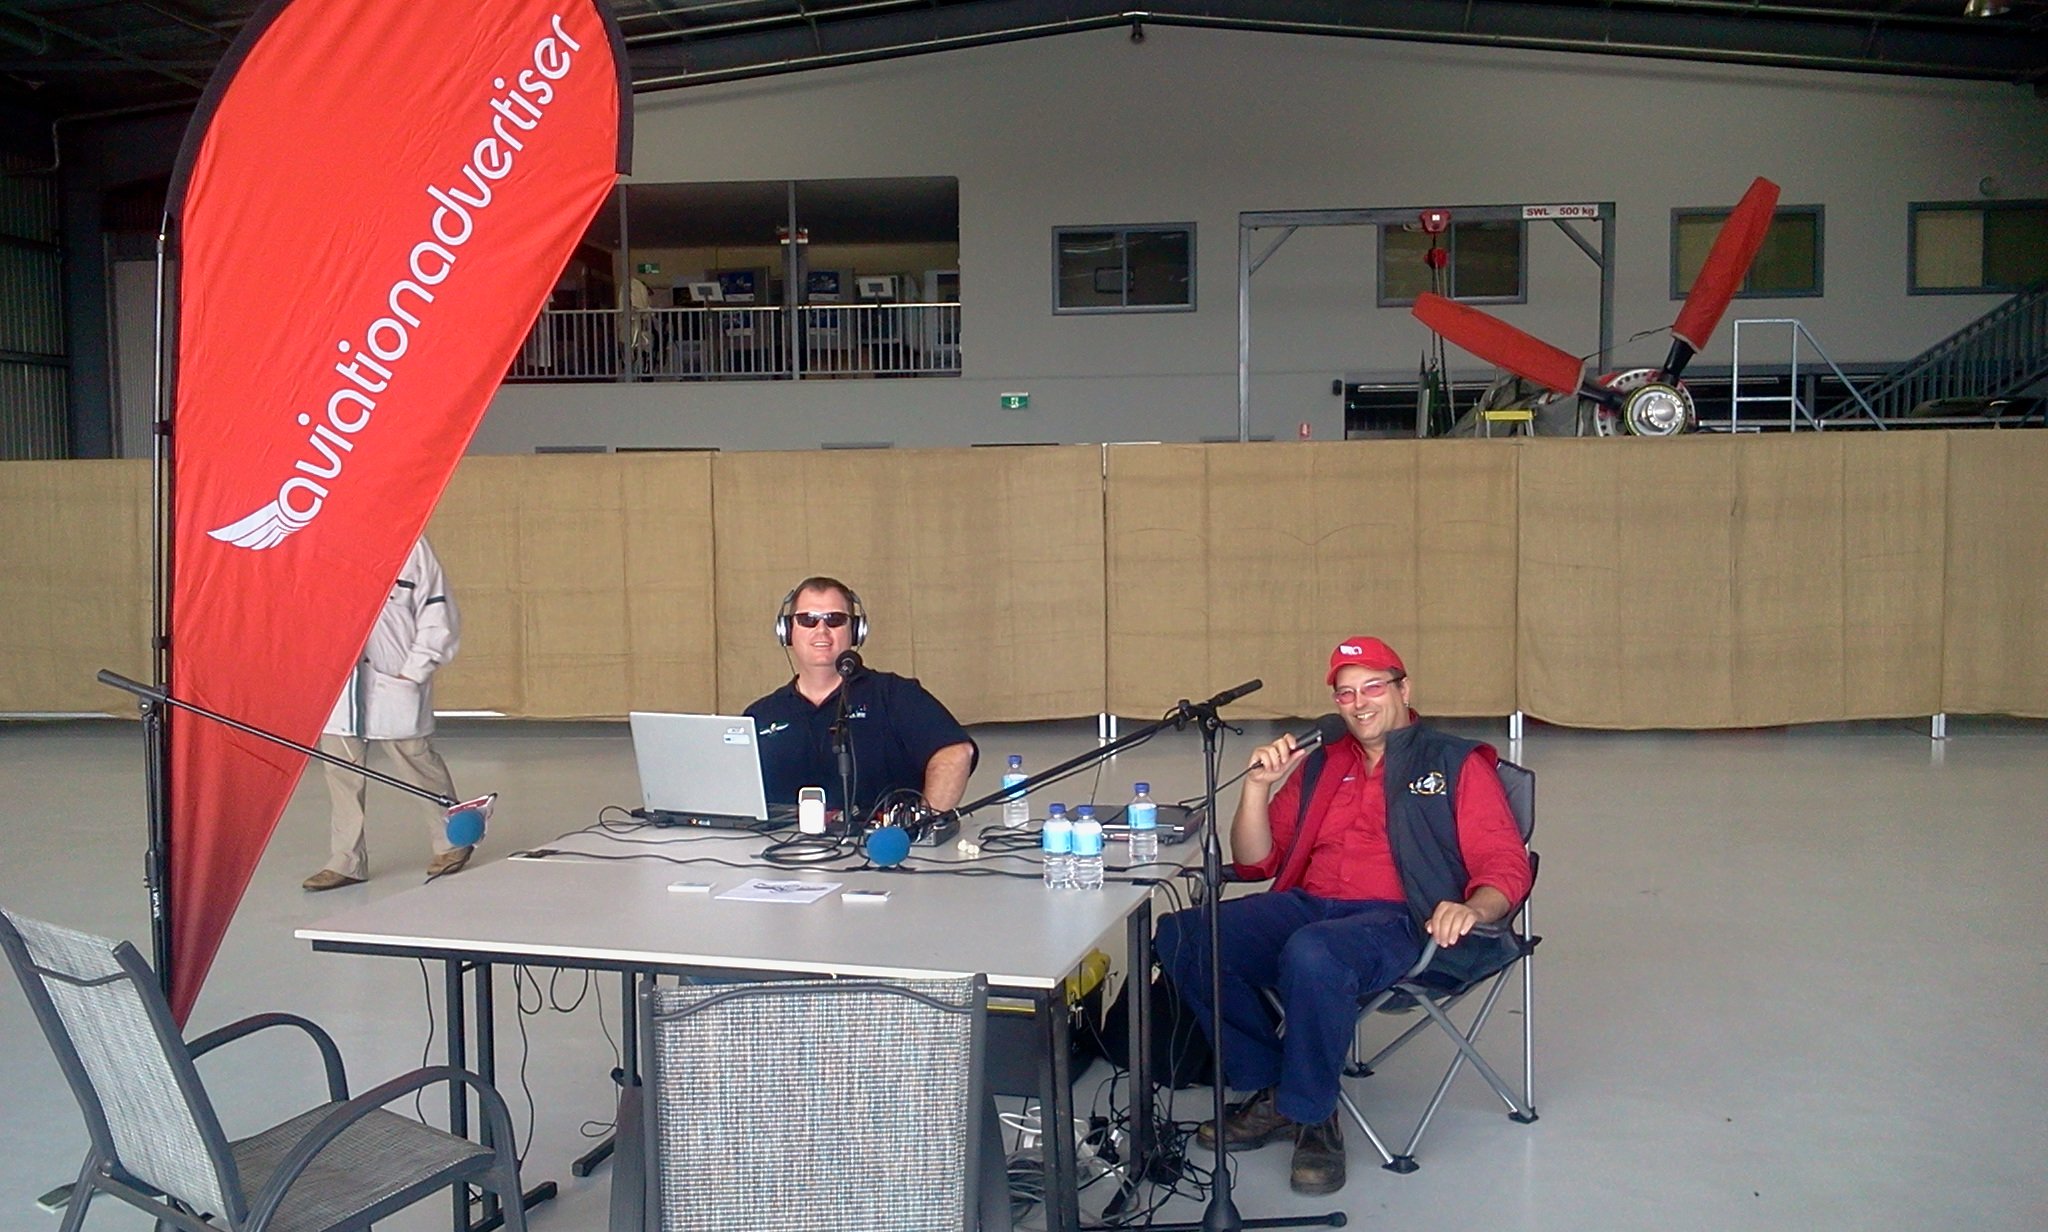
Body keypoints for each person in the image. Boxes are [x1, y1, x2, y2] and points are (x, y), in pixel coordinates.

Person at [1154, 635, 1532, 1195]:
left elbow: (1505, 862)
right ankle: (1274, 1087)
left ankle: (1313, 1113)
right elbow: (1256, 862)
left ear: (1404, 689)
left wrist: (1473, 907)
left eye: (1373, 687)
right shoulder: (1323, 763)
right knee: (1185, 935)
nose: (1359, 703)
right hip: (1309, 905)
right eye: (1346, 693)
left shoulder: (1453, 761)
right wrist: (1257, 788)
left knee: (1315, 953)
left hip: (1404, 919)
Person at [302, 538, 468, 890]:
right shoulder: (321, 541)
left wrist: (414, 671)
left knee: (416, 762)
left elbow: (438, 611)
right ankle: (346, 860)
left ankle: (453, 839)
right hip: (337, 684)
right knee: (341, 773)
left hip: (395, 679)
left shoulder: (411, 545)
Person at [745, 576, 977, 820]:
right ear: (787, 631)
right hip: (780, 844)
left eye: (834, 620)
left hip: (881, 843)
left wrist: (923, 823)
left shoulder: (894, 695)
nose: (821, 630)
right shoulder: (761, 715)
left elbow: (956, 753)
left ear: (856, 631)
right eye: (808, 620)